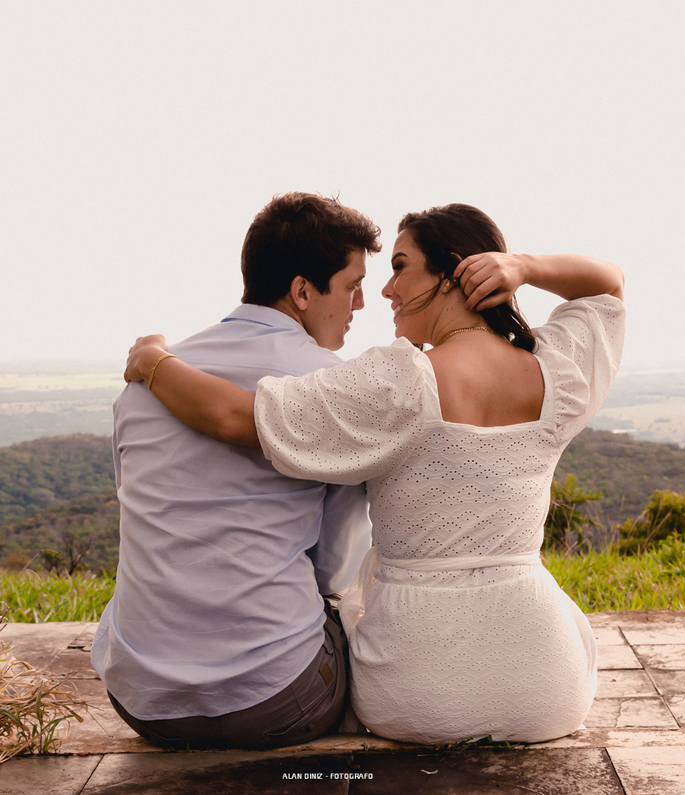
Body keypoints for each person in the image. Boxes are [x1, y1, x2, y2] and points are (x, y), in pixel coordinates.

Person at [123, 203, 625, 744]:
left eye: (401, 266)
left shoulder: (399, 382)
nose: (386, 291)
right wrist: (525, 267)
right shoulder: (558, 372)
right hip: (546, 686)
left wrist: (154, 362)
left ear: (456, 272)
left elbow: (233, 415)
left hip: (416, 690)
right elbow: (607, 287)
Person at [90, 192, 382, 750]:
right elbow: (334, 570)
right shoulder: (329, 386)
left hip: (143, 703)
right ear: (302, 291)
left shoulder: (144, 385)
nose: (360, 304)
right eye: (351, 286)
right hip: (275, 700)